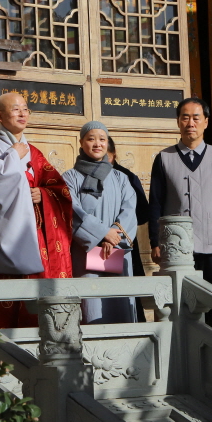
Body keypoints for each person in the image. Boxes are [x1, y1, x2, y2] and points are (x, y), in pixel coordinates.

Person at [0, 93, 73, 327]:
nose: (22, 114)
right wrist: (12, 157)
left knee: (38, 295)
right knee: (6, 296)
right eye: (15, 109)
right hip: (4, 230)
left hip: (37, 233)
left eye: (25, 109)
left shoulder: (34, 152)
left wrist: (43, 194)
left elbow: (59, 189)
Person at [147, 97, 212, 337]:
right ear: (178, 122)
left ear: (206, 122)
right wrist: (155, 242)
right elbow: (155, 202)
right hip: (176, 246)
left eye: (196, 117)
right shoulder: (164, 158)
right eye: (185, 117)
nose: (191, 123)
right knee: (180, 304)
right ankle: (184, 353)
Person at [64, 121, 137, 325]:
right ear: (81, 142)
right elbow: (71, 210)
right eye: (91, 139)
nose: (97, 144)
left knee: (120, 305)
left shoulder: (121, 178)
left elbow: (129, 211)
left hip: (117, 250)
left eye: (102, 139)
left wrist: (113, 236)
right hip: (85, 252)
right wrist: (102, 233)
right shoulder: (70, 178)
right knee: (91, 307)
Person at [107, 137, 150, 322]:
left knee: (127, 292)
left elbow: (143, 213)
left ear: (113, 154)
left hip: (123, 242)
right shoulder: (81, 176)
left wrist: (117, 227)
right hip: (96, 242)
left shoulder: (126, 177)